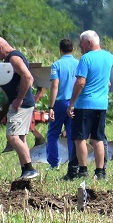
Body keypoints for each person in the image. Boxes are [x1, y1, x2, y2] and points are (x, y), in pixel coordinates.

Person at [68, 29, 113, 180]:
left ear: (88, 43)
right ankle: (100, 172)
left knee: (79, 138)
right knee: (97, 138)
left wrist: (72, 102)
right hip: (101, 104)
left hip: (85, 103)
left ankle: (83, 170)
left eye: (81, 44)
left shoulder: (86, 59)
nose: (80, 48)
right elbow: (107, 81)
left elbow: (80, 82)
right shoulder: (109, 57)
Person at [0, 36, 38, 181]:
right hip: (21, 103)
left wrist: (19, 99)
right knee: (20, 137)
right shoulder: (13, 57)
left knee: (12, 137)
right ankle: (25, 170)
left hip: (20, 104)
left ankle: (30, 168)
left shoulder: (13, 58)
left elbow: (28, 77)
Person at [45, 38, 78, 171]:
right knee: (71, 135)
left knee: (53, 134)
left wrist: (51, 107)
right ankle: (72, 162)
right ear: (73, 49)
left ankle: (53, 163)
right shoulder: (79, 63)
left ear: (60, 49)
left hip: (60, 103)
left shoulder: (56, 65)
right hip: (74, 102)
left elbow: (55, 86)